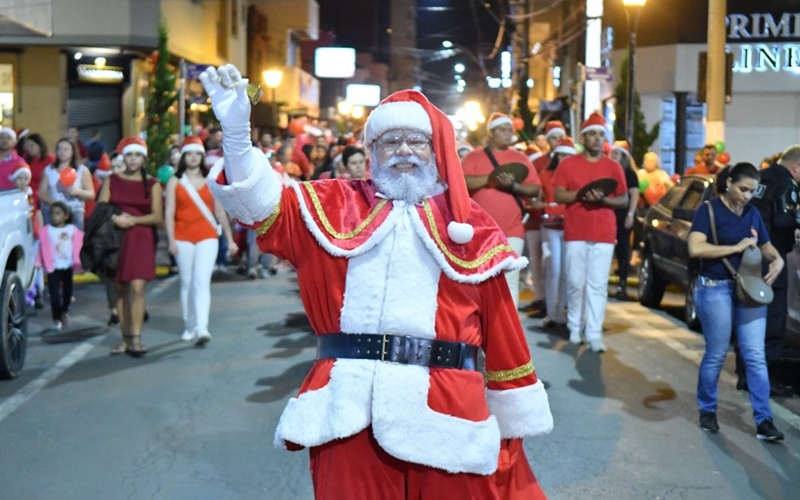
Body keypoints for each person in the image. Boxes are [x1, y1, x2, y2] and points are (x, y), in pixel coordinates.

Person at [199, 65, 553, 499]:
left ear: (435, 151)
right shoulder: (330, 205)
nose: (404, 150)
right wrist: (236, 138)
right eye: (390, 141)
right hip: (348, 407)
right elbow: (260, 206)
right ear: (372, 150)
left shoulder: (472, 228)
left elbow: (503, 330)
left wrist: (513, 415)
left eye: (416, 141)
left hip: (447, 412)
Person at [687, 162, 785, 441]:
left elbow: (764, 244)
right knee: (717, 353)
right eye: (743, 189)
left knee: (755, 355)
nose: (747, 196)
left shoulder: (752, 213)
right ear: (729, 183)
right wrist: (736, 248)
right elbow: (695, 248)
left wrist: (775, 257)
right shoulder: (708, 211)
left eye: (752, 191)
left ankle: (764, 420)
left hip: (749, 289)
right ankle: (707, 409)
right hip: (715, 288)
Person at [553, 113, 628, 352]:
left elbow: (624, 198)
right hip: (576, 230)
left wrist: (604, 200)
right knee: (576, 282)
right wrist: (582, 195)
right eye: (593, 134)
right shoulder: (568, 164)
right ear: (583, 137)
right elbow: (558, 195)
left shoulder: (613, 166)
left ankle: (593, 332)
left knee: (597, 285)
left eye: (601, 134)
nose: (597, 139)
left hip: (604, 232)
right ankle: (575, 326)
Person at [737, 145, 800, 397]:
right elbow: (784, 220)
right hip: (772, 258)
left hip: (749, 257)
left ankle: (744, 374)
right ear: (797, 167)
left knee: (750, 318)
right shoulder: (788, 184)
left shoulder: (759, 178)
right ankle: (765, 378)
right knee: (773, 319)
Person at [461, 112, 541, 309]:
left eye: (510, 130)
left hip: (513, 228)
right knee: (482, 278)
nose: (508, 133)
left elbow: (535, 188)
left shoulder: (520, 158)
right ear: (491, 133)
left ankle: (508, 333)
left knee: (510, 279)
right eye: (503, 129)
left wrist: (514, 187)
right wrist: (491, 179)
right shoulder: (474, 157)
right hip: (481, 231)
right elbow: (462, 182)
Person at [165, 136, 237, 344]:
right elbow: (169, 212)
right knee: (186, 282)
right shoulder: (174, 181)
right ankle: (189, 325)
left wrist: (230, 240)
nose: (194, 157)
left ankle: (201, 327)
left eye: (197, 153)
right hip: (181, 236)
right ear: (183, 157)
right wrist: (170, 240)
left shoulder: (210, 181)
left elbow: (220, 212)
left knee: (202, 282)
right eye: (190, 153)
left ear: (203, 156)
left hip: (207, 235)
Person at [98, 137, 163, 357]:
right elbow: (101, 209)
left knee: (137, 288)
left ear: (144, 158)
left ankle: (136, 338)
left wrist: (133, 220)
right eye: (129, 155)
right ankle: (125, 338)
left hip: (141, 238)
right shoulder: (112, 180)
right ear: (123, 157)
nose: (133, 159)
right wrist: (116, 219)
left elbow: (156, 216)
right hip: (116, 240)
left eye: (137, 155)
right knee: (121, 289)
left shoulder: (152, 183)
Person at [536, 137, 576, 327]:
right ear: (556, 155)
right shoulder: (545, 174)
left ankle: (562, 310)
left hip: (570, 227)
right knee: (554, 268)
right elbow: (539, 198)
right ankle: (552, 312)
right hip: (550, 227)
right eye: (561, 154)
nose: (564, 158)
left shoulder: (575, 174)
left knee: (567, 271)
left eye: (568, 155)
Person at [36, 201, 83, 331]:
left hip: (67, 266)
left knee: (68, 292)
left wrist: (80, 262)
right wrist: (38, 262)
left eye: (58, 213)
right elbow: (41, 248)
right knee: (54, 294)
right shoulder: (46, 231)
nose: (54, 216)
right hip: (54, 268)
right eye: (52, 213)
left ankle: (64, 310)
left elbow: (79, 246)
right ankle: (56, 317)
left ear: (66, 215)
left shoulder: (73, 230)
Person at [38, 138, 95, 230]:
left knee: (75, 242)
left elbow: (91, 194)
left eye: (66, 149)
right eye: (59, 149)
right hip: (54, 211)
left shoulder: (82, 170)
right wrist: (54, 202)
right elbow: (41, 193)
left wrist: (77, 192)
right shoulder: (49, 170)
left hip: (75, 210)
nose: (62, 152)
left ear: (73, 151)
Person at [611, 142, 640, 300]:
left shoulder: (629, 173)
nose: (613, 156)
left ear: (623, 156)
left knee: (623, 251)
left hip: (622, 217)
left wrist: (630, 214)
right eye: (612, 153)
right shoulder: (609, 171)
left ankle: (622, 284)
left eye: (616, 153)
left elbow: (634, 195)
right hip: (609, 215)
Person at [21, 133, 55, 200]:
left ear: (40, 146)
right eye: (27, 146)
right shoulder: (26, 159)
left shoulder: (50, 159)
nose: (29, 148)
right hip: (28, 194)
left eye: (32, 146)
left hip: (43, 195)